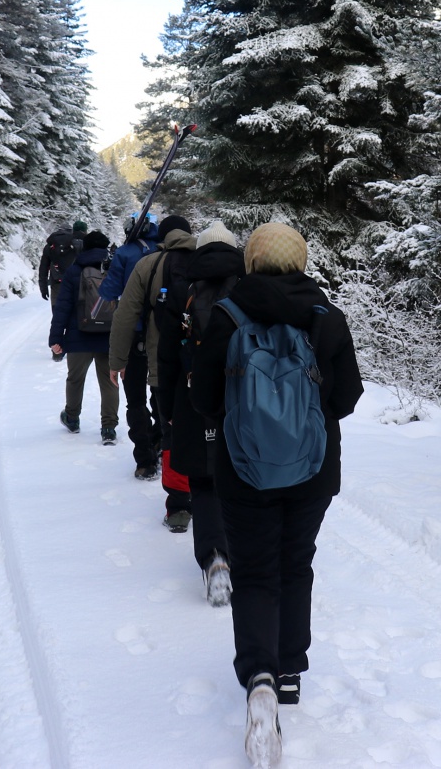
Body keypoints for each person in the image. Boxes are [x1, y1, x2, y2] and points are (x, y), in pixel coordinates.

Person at [189, 223, 363, 769]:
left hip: (243, 471)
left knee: (256, 571)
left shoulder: (227, 316)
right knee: (296, 563)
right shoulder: (326, 317)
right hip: (314, 471)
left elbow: (205, 398)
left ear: (252, 260)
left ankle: (259, 677)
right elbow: (349, 395)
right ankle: (289, 671)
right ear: (301, 259)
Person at [168, 221, 244, 604]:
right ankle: (245, 553)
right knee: (242, 478)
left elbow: (167, 354)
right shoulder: (249, 288)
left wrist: (166, 410)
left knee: (203, 481)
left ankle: (214, 557)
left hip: (194, 396)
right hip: (242, 397)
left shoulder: (182, 288)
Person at [107, 215, 196, 530]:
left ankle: (179, 507)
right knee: (207, 430)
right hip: (203, 366)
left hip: (161, 364)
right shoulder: (208, 260)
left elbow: (125, 314)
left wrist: (116, 360)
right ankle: (209, 496)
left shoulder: (148, 265)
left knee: (172, 433)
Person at [98, 212, 160, 477]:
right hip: (161, 333)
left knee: (135, 399)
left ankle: (145, 459)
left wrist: (111, 268)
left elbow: (108, 292)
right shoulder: (164, 252)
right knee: (161, 395)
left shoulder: (124, 254)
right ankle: (159, 440)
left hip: (132, 332)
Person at [49, 230, 120, 444]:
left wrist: (56, 338)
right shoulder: (114, 269)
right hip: (108, 337)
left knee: (75, 379)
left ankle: (72, 418)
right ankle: (108, 428)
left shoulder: (74, 270)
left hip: (78, 334)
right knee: (110, 382)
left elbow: (62, 307)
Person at [38, 220, 87, 308]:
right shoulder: (76, 243)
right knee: (74, 315)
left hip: (57, 284)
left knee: (57, 313)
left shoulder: (50, 245)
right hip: (75, 284)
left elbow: (43, 269)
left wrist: (43, 288)